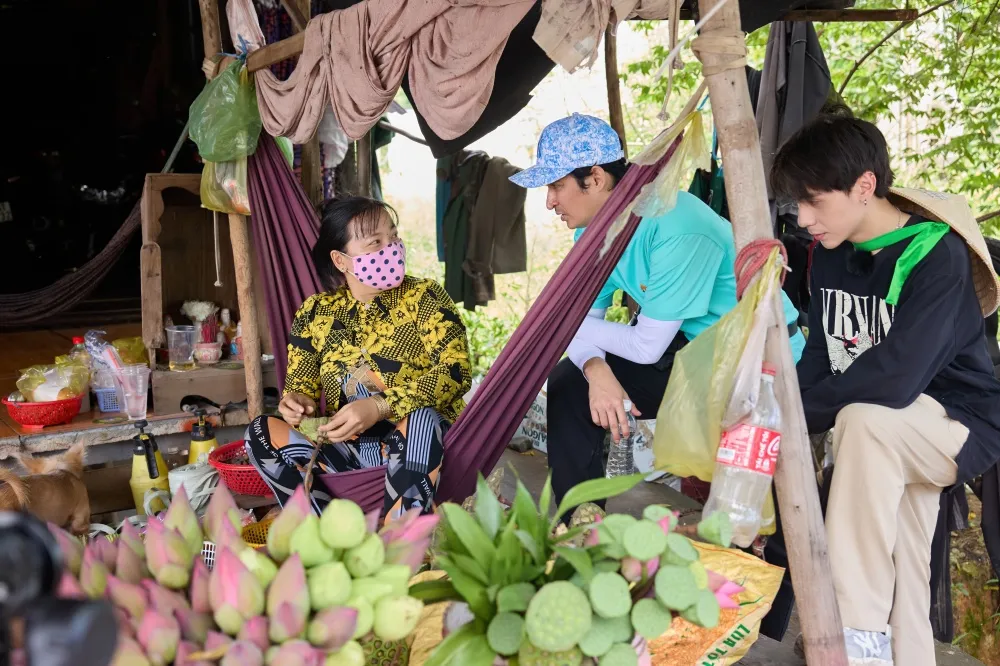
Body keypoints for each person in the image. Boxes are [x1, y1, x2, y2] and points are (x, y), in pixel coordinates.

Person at [770, 114, 1000, 665]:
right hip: (890, 432)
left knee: (864, 420)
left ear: (864, 187)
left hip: (956, 423)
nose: (802, 219)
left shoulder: (935, 255)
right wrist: (774, 410)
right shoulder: (826, 254)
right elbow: (826, 355)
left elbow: (896, 379)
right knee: (907, 568)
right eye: (795, 205)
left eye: (813, 201)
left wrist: (793, 415)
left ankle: (857, 633)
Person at [509, 113, 805, 509]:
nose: (549, 202)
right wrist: (596, 371)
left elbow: (643, 346)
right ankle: (579, 525)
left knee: (751, 502)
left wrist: (560, 327)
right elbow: (582, 324)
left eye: (556, 186)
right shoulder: (595, 231)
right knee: (571, 383)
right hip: (690, 349)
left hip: (756, 355)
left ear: (595, 179)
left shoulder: (675, 224)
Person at [244, 196, 472, 523]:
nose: (390, 247)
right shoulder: (315, 314)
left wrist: (380, 406)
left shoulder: (425, 298)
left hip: (426, 451)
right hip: (349, 458)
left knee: (421, 419)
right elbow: (299, 388)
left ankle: (399, 546)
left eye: (393, 237)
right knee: (261, 431)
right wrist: (295, 403)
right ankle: (325, 533)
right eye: (375, 242)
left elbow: (456, 372)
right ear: (341, 261)